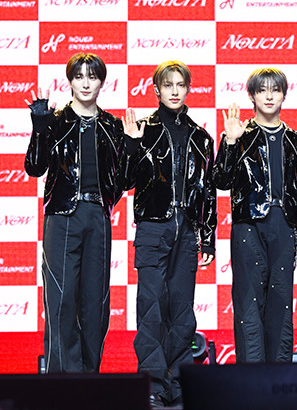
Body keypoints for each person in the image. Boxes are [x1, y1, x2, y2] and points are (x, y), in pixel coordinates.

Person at [24, 52, 130, 373]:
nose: (85, 83)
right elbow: (35, 167)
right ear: (69, 81)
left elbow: (124, 181)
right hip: (62, 216)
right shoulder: (56, 121)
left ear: (102, 82)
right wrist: (40, 127)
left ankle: (89, 378)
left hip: (98, 216)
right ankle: (61, 381)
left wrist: (133, 148)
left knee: (96, 302)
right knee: (61, 299)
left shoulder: (112, 125)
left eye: (92, 77)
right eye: (79, 76)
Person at [123, 60, 217, 407]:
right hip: (153, 226)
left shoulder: (201, 137)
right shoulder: (142, 130)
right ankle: (152, 384)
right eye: (168, 85)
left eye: (180, 85)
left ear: (188, 89)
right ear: (157, 90)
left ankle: (178, 383)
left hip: (187, 230)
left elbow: (207, 191)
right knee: (151, 308)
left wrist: (208, 237)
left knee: (182, 310)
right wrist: (131, 146)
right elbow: (124, 181)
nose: (175, 91)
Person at [213, 68, 297, 362]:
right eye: (262, 90)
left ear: (284, 95)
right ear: (252, 96)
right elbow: (221, 180)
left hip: (284, 226)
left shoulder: (295, 140)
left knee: (281, 304)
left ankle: (279, 380)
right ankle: (251, 379)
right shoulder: (239, 135)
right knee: (248, 304)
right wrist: (230, 144)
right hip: (248, 227)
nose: (269, 96)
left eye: (275, 90)